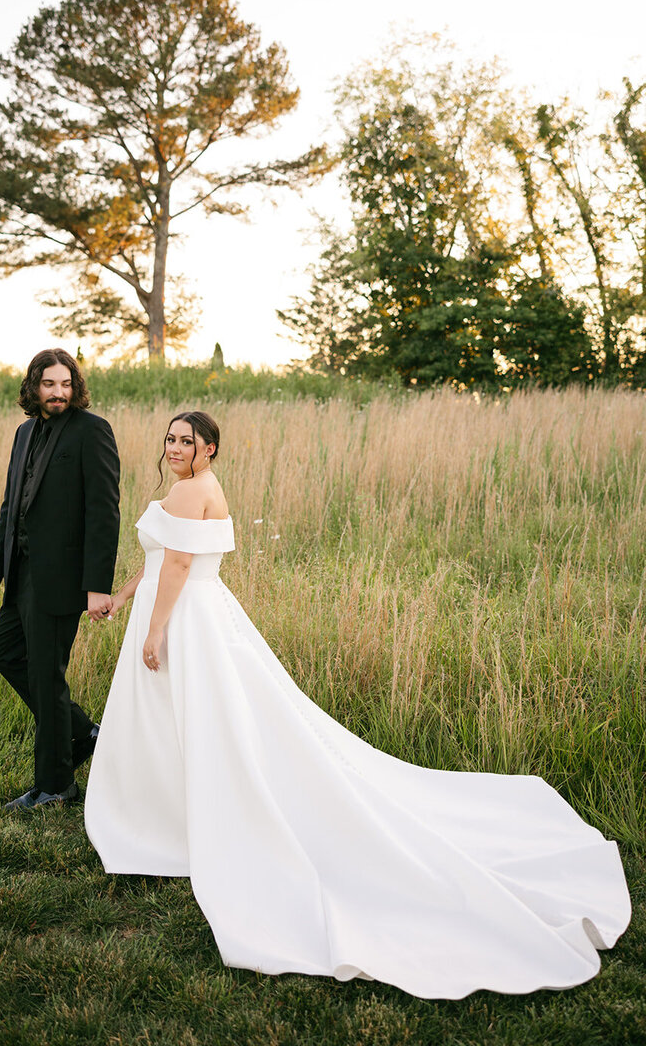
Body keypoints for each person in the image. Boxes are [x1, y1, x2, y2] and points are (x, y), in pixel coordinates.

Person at [84, 411, 630, 1000]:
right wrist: (124, 597)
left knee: (210, 726)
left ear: (209, 449)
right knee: (182, 727)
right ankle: (171, 821)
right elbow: (158, 560)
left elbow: (183, 565)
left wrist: (156, 629)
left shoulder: (195, 488)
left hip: (189, 621)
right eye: (168, 439)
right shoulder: (180, 487)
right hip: (178, 613)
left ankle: (189, 822)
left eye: (185, 441)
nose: (173, 447)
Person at [0, 348, 120, 810]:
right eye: (49, 384)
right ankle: (80, 733)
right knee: (5, 653)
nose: (58, 393)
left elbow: (104, 514)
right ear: (33, 387)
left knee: (46, 677)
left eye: (66, 384)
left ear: (75, 387)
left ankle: (55, 785)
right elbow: (11, 508)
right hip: (20, 575)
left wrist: (97, 585)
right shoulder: (23, 434)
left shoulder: (92, 431)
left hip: (61, 580)